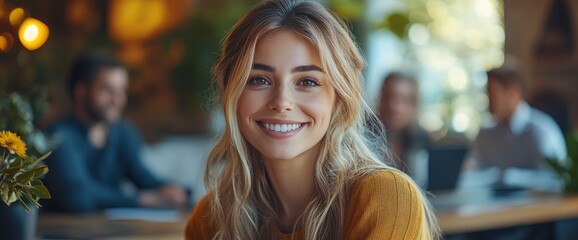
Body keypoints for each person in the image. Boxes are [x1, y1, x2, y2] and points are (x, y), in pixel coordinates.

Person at [185, 0, 440, 239]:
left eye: (307, 82)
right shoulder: (211, 218)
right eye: (259, 80)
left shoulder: (387, 198)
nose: (282, 102)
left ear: (340, 99)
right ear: (231, 94)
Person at [43, 52, 188, 213]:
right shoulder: (58, 136)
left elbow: (143, 177)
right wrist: (141, 199)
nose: (118, 100)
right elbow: (78, 195)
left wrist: (176, 193)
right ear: (81, 91)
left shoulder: (123, 132)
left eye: (122, 91)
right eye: (108, 90)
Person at [463, 56, 567, 188]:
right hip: (491, 207)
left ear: (514, 92)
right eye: (487, 94)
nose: (488, 101)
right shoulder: (485, 135)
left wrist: (508, 177)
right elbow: (468, 176)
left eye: (493, 93)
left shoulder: (541, 131)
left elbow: (554, 180)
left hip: (535, 208)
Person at [377, 72, 429, 174]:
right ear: (380, 98)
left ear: (414, 104)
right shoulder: (363, 136)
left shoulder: (422, 140)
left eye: (405, 100)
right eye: (389, 97)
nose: (395, 107)